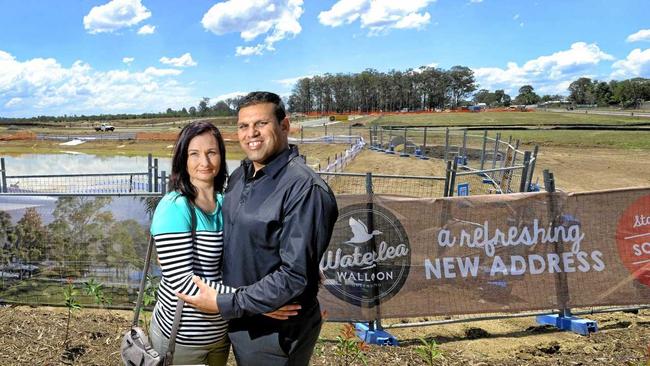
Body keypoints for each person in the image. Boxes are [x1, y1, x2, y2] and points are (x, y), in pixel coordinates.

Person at [178, 91, 338, 365]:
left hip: (275, 332)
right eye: (243, 126)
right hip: (246, 320)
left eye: (261, 124)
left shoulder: (304, 189)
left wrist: (226, 303)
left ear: (284, 126)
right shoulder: (242, 175)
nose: (251, 133)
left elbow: (293, 277)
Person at [148, 121, 299, 366]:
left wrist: (303, 266)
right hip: (183, 338)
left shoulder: (226, 202)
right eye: (194, 154)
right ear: (182, 159)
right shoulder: (175, 206)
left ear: (221, 155)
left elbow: (254, 246)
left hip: (221, 332)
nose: (204, 162)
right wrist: (256, 303)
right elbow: (181, 283)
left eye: (211, 152)